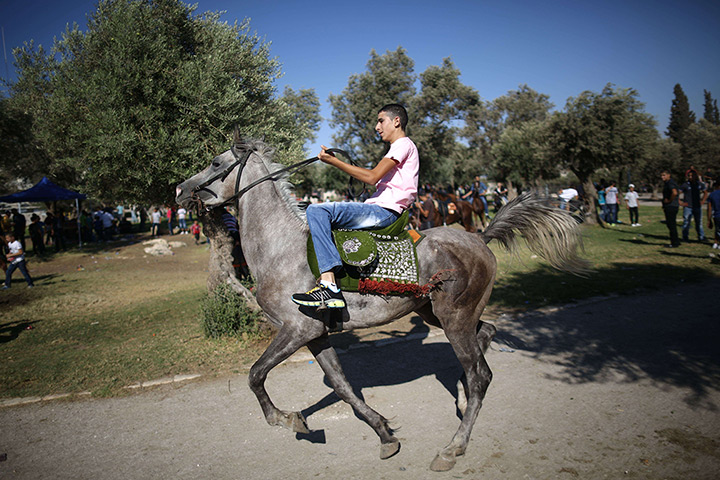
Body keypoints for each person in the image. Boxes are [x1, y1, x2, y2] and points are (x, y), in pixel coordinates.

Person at [292, 104, 419, 309]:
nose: (377, 127)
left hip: (384, 212)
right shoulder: (399, 147)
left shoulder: (403, 144)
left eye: (381, 121)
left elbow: (371, 177)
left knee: (317, 210)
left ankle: (329, 286)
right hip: (382, 209)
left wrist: (334, 162)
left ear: (396, 121)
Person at [679, 169, 707, 242]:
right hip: (688, 207)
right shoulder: (685, 184)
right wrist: (681, 203)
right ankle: (685, 237)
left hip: (697, 206)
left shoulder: (699, 184)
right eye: (689, 176)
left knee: (699, 222)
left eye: (692, 176)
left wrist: (703, 201)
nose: (690, 177)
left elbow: (705, 192)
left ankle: (701, 236)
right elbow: (677, 193)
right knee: (686, 222)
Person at [661, 170, 680, 248]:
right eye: (662, 175)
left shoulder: (670, 183)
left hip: (671, 206)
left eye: (664, 175)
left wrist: (669, 200)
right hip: (671, 206)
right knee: (671, 224)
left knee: (671, 224)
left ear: (669, 175)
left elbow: (674, 193)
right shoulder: (667, 183)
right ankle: (676, 240)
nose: (662, 177)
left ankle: (674, 242)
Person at [707, 182, 720, 249]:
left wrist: (709, 220)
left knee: (717, 229)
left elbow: (709, 208)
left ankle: (715, 242)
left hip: (717, 215)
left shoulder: (712, 194)